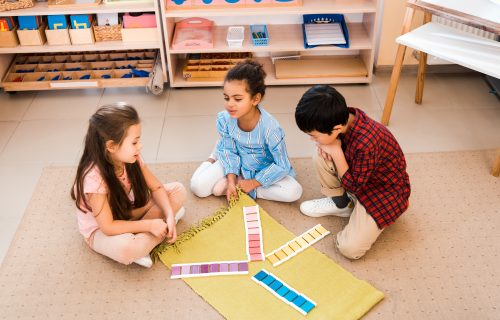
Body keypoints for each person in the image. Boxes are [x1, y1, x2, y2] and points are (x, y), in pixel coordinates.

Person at [295, 85, 411, 259]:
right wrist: (329, 147)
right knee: (321, 154)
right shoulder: (345, 119)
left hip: (384, 192)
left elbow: (355, 186)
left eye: (314, 135)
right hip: (359, 177)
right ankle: (342, 204)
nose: (312, 139)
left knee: (349, 249)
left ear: (336, 128)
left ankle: (364, 211)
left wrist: (336, 151)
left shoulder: (366, 142)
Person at [71, 103, 186, 268]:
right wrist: (150, 225)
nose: (140, 146)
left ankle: (153, 234)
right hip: (101, 230)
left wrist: (168, 215)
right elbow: (108, 227)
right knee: (127, 248)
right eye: (134, 142)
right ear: (111, 146)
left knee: (178, 190)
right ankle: (144, 243)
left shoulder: (131, 157)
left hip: (126, 212)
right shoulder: (94, 180)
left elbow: (157, 188)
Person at [190, 60, 302, 203]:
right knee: (198, 187)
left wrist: (253, 183)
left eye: (237, 99)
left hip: (261, 167)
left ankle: (242, 184)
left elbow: (282, 165)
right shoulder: (224, 119)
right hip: (234, 156)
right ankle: (214, 156)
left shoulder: (271, 128)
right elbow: (230, 151)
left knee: (294, 192)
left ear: (255, 99)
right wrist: (231, 181)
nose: (229, 104)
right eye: (226, 97)